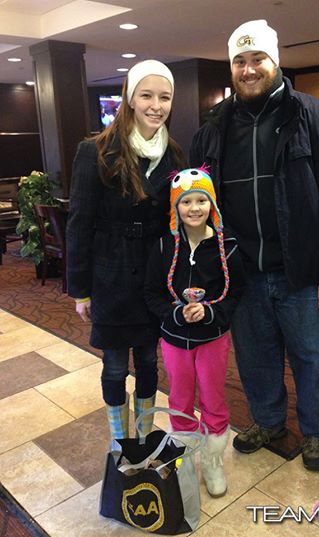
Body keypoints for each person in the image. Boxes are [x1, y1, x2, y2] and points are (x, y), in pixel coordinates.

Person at [189, 20, 319, 471]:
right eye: (240, 62)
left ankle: (317, 431)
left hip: (304, 274)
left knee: (313, 359)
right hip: (242, 273)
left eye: (257, 60)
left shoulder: (315, 117)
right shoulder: (213, 129)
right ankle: (267, 420)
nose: (248, 70)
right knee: (255, 357)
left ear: (275, 61)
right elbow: (196, 207)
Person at [66, 60, 186, 449]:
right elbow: (79, 224)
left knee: (150, 362)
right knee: (116, 365)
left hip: (154, 276)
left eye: (164, 97)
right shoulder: (96, 151)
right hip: (111, 276)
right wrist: (80, 290)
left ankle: (146, 432)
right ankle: (121, 439)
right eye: (147, 95)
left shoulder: (175, 155)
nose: (156, 105)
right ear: (130, 99)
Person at [144, 167, 245, 497]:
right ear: (176, 208)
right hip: (174, 339)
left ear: (212, 205)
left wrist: (211, 312)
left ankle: (213, 461)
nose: (194, 208)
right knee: (180, 396)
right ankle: (186, 457)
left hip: (213, 338)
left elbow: (235, 292)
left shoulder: (226, 247)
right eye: (186, 202)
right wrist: (173, 312)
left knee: (214, 397)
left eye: (202, 200)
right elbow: (152, 293)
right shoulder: (163, 247)